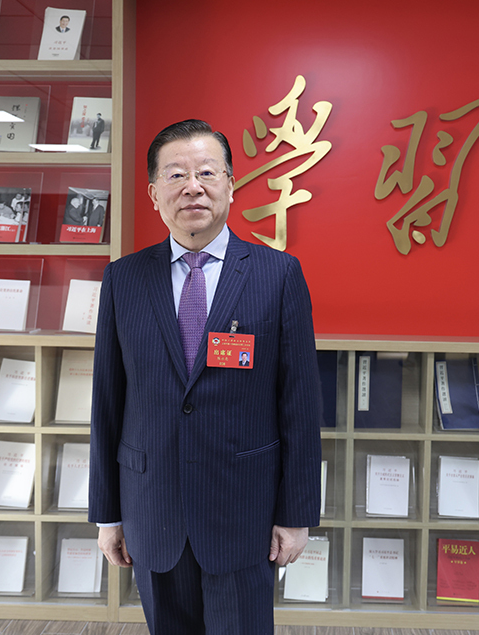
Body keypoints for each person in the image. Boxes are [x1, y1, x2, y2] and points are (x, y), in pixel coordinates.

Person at [89, 119, 322, 635]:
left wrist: (296, 514)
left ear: (230, 186)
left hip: (243, 513)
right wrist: (108, 515)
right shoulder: (123, 279)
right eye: (176, 175)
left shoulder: (278, 274)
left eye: (207, 173)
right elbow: (107, 402)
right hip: (153, 509)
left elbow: (300, 405)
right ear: (154, 194)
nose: (193, 186)